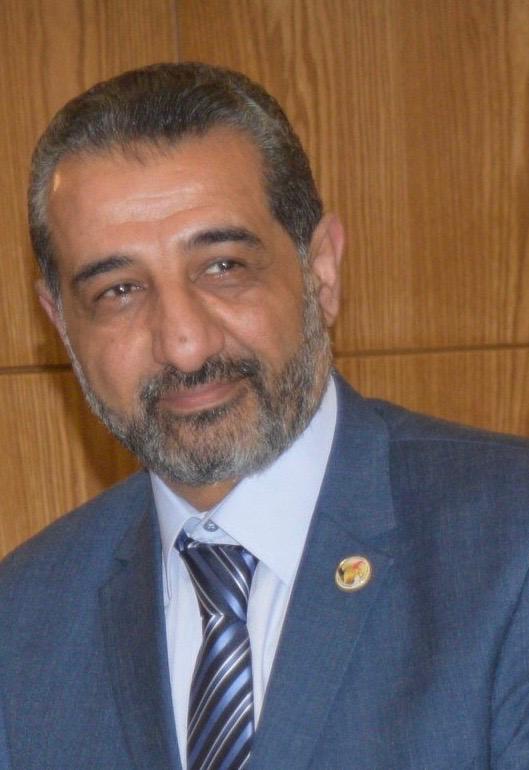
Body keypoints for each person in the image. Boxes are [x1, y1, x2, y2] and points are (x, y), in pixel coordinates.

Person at [1, 62, 529, 770]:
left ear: (321, 271)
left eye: (223, 266)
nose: (184, 344)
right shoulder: (22, 621)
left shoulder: (509, 542)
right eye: (119, 290)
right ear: (61, 325)